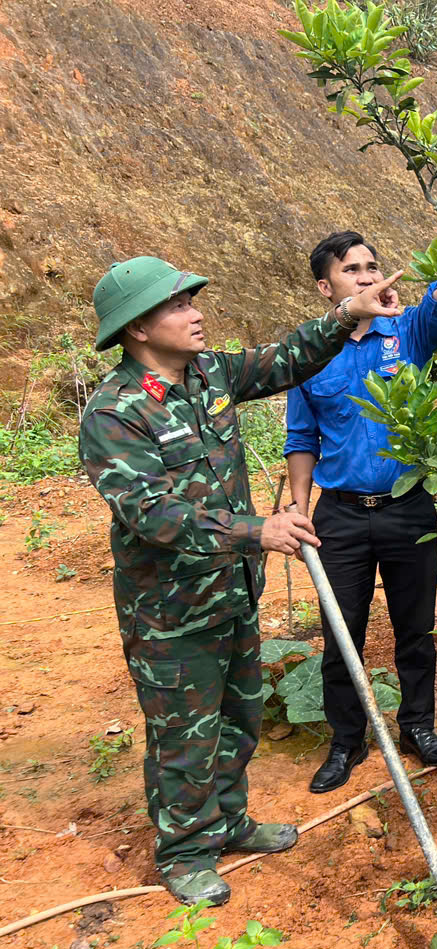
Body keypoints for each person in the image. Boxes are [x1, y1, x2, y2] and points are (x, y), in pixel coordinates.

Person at [79, 256, 401, 905]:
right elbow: (153, 513)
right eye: (178, 306)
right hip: (170, 615)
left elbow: (285, 359)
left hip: (231, 593)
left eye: (193, 301)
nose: (196, 313)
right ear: (137, 328)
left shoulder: (211, 374)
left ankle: (228, 821)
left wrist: (348, 314)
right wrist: (259, 532)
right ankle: (186, 852)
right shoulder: (114, 415)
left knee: (237, 719)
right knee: (182, 736)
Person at [285, 175, 437, 794]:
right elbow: (302, 440)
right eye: (353, 269)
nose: (369, 276)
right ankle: (346, 742)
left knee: (415, 626)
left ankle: (417, 726)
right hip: (339, 517)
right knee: (339, 635)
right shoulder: (309, 355)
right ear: (328, 287)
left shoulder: (410, 333)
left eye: (373, 265)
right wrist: (300, 514)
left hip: (407, 509)